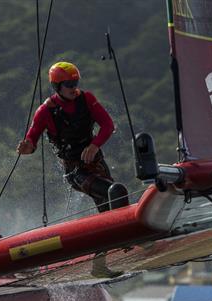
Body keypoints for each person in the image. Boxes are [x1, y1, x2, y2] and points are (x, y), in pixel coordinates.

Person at [17, 61, 129, 212]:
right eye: (69, 84)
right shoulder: (45, 111)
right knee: (115, 191)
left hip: (96, 163)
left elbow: (108, 125)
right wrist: (27, 147)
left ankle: (118, 229)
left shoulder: (87, 99)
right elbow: (31, 140)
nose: (74, 87)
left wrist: (94, 145)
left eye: (75, 82)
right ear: (57, 86)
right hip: (75, 171)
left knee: (106, 198)